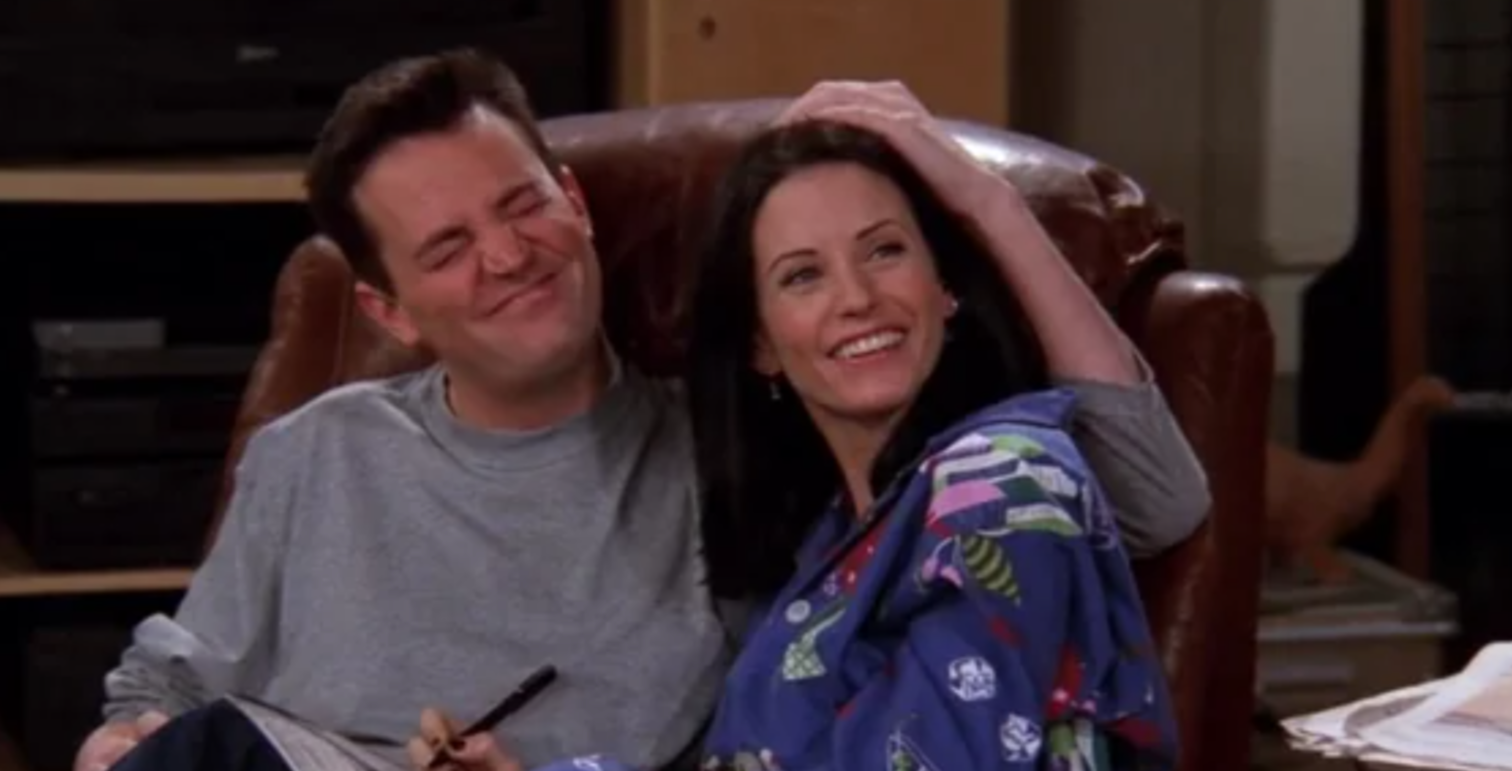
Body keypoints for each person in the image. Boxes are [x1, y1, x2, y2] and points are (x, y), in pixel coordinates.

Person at [75, 51, 1201, 771]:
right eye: (450, 247)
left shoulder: (740, 449)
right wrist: (119, 740)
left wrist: (978, 201)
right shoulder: (312, 452)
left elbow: (1146, 496)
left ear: (573, 202)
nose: (508, 256)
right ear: (388, 309)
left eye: (522, 206)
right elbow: (162, 686)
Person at [467, 82, 1178, 771]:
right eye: (803, 276)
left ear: (944, 287)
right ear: (761, 344)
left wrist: (986, 200)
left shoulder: (1002, 479)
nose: (857, 298)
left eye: (884, 250)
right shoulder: (831, 540)